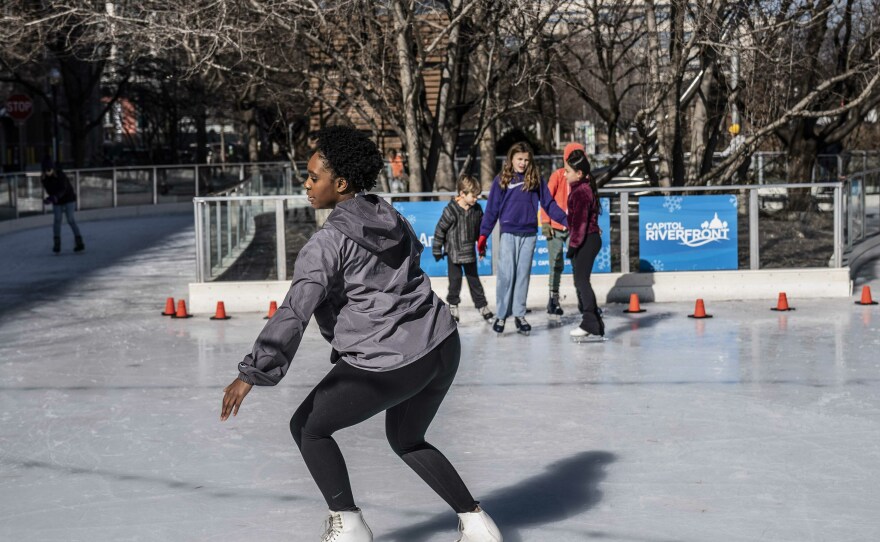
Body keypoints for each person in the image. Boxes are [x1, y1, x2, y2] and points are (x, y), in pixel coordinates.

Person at [221, 126, 502, 542]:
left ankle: (348, 524)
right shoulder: (388, 214)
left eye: (313, 177)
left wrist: (252, 372)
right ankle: (477, 524)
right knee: (406, 438)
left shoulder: (327, 242)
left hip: (393, 361)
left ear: (340, 183)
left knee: (307, 428)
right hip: (441, 343)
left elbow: (296, 309)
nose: (306, 184)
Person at [478, 142, 568, 335]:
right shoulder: (502, 179)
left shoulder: (535, 179)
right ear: (511, 159)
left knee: (522, 276)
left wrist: (565, 220)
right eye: (519, 159)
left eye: (526, 160)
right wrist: (484, 234)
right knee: (506, 275)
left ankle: (519, 315)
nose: (523, 163)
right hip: (509, 232)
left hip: (529, 234)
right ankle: (501, 315)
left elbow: (549, 204)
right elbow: (492, 209)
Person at [432, 175, 494, 323]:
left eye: (477, 196)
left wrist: (482, 248)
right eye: (473, 196)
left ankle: (482, 306)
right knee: (455, 281)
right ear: (462, 194)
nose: (476, 199)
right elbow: (440, 230)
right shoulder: (451, 211)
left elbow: (480, 232)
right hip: (454, 253)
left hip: (469, 253)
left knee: (474, 281)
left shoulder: (477, 210)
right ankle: (453, 306)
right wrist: (436, 250)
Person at [564, 149, 605, 341]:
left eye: (568, 172)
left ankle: (589, 322)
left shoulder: (580, 192)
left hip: (586, 239)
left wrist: (573, 246)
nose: (565, 175)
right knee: (580, 281)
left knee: (581, 281)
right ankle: (595, 322)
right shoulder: (583, 188)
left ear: (579, 174)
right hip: (589, 238)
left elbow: (580, 224)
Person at [540, 143, 584, 320]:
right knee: (556, 263)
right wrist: (545, 222)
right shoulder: (558, 176)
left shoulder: (581, 178)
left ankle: (583, 299)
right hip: (556, 228)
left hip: (574, 228)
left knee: (578, 264)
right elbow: (546, 199)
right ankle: (553, 299)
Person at [40, 157, 84, 253]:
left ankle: (79, 242)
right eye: (45, 170)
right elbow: (49, 190)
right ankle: (57, 244)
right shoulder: (44, 179)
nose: (47, 172)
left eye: (49, 169)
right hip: (57, 201)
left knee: (70, 219)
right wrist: (50, 198)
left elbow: (64, 189)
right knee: (57, 220)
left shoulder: (61, 175)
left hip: (68, 198)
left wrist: (55, 197)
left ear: (53, 168)